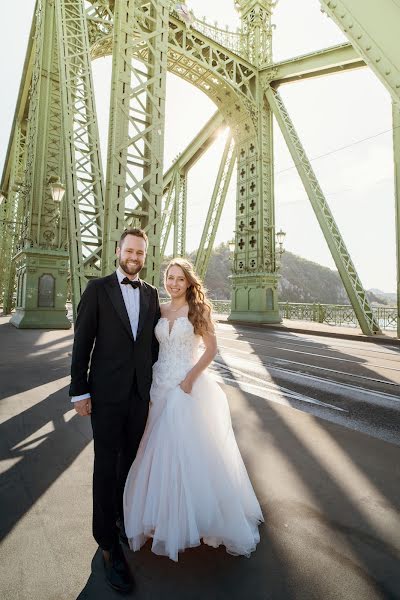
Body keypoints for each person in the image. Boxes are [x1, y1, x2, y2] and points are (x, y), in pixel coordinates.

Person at [123, 258, 263, 562]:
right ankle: (160, 517)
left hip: (186, 385)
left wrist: (189, 380)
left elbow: (211, 350)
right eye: (169, 278)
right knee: (152, 451)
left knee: (184, 452)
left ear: (189, 282)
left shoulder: (198, 310)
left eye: (179, 279)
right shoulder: (159, 310)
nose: (173, 283)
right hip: (159, 383)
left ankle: (192, 519)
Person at [69, 228, 160, 593]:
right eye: (130, 251)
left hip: (139, 397)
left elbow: (151, 348)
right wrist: (79, 391)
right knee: (105, 467)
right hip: (105, 397)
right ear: (118, 251)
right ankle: (107, 544)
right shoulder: (97, 290)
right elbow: (82, 343)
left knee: (129, 462)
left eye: (140, 253)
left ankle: (121, 521)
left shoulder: (152, 294)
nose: (134, 257)